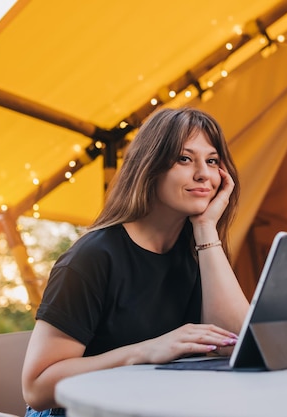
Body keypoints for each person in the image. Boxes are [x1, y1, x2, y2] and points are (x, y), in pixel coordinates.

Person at [22, 107, 250, 416]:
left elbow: (237, 346)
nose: (204, 174)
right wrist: (145, 351)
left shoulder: (199, 254)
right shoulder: (91, 258)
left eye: (211, 161)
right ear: (150, 167)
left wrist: (206, 228)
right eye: (185, 159)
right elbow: (36, 388)